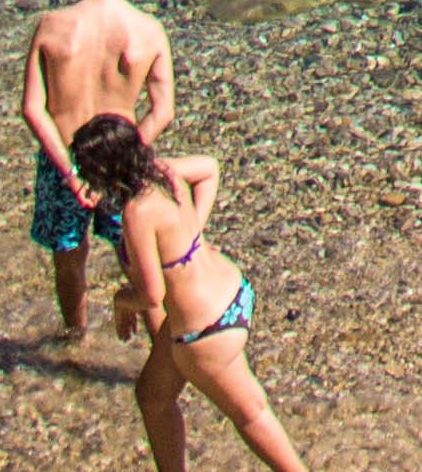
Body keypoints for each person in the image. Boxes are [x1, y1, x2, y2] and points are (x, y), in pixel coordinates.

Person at [69, 109, 313, 472]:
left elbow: (150, 296)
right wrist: (191, 236)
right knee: (153, 395)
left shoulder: (137, 212)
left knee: (251, 415)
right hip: (231, 292)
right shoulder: (162, 174)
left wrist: (121, 302)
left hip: (206, 332)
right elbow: (210, 169)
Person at [16, 0, 175, 348]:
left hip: (63, 161)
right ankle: (164, 353)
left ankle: (75, 341)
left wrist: (71, 173)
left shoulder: (52, 25)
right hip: (121, 162)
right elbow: (162, 110)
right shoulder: (148, 31)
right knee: (138, 261)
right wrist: (124, 153)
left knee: (69, 256)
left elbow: (33, 109)